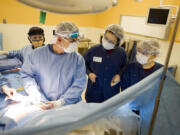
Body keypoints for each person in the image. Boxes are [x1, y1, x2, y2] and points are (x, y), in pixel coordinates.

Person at [20, 21, 86, 108]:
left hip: (70, 106)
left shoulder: (77, 59)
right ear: (59, 39)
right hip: (43, 105)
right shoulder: (37, 55)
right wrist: (36, 94)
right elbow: (26, 75)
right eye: (73, 41)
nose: (76, 44)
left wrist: (61, 102)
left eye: (77, 40)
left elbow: (79, 84)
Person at [84, 24, 127, 103]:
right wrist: (89, 74)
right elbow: (83, 64)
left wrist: (119, 75)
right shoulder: (93, 50)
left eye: (111, 41)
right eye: (106, 38)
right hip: (94, 90)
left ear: (117, 42)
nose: (107, 42)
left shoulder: (121, 53)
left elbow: (124, 67)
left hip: (111, 91)